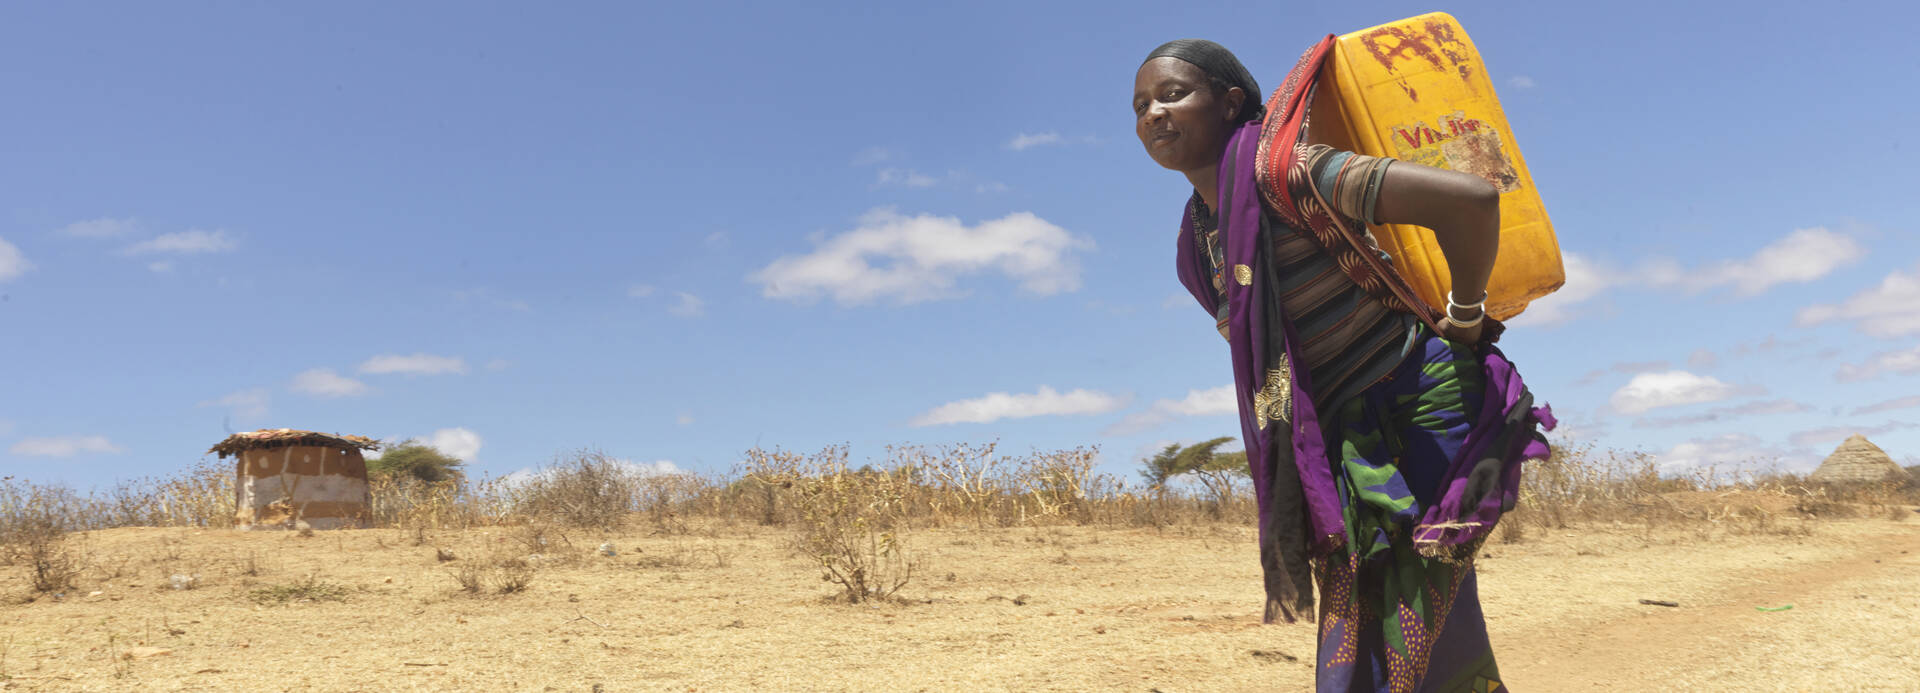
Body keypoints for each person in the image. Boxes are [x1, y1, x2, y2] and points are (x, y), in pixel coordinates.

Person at [1133, 38, 1553, 693]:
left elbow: (1469, 200)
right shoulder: (1198, 244)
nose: (1154, 113)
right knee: (1359, 627)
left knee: (1423, 616)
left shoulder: (1287, 172)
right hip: (1342, 440)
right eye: (1140, 106)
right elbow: (1251, 337)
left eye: (1172, 93)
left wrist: (1465, 314)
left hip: (1418, 399)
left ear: (1230, 102)